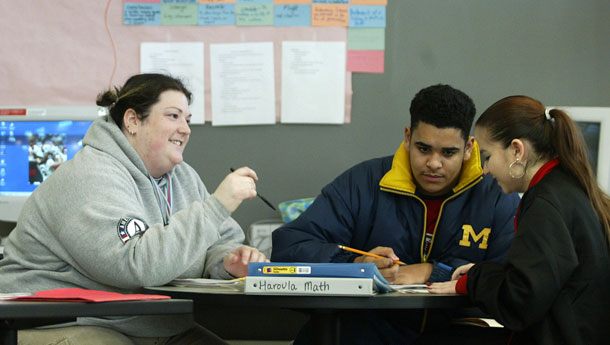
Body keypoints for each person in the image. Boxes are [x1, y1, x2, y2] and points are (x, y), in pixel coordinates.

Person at [0, 73, 268, 344]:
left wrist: (226, 261)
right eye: (173, 116)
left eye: (187, 119)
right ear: (132, 122)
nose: (186, 129)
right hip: (62, 322)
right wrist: (218, 205)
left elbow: (216, 241)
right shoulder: (90, 174)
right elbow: (136, 265)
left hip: (150, 325)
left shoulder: (183, 176)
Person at [271, 84, 520, 344]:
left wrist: (434, 272)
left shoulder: (496, 194)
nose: (434, 163)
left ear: (469, 147)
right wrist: (355, 267)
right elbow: (289, 248)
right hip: (369, 328)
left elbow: (514, 281)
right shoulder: (363, 182)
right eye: (424, 148)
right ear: (407, 137)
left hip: (455, 330)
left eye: (448, 152)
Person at [429, 95, 610, 344]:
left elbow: (521, 301)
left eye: (488, 156)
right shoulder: (569, 189)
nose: (486, 169)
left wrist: (474, 282)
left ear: (516, 150)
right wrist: (488, 274)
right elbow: (548, 278)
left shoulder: (544, 203)